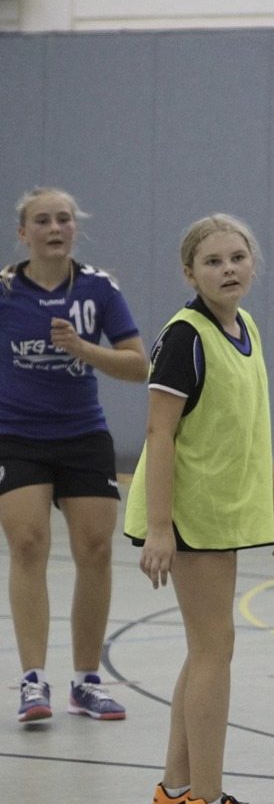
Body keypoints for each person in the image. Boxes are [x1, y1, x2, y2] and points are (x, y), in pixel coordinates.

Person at [129, 214, 274, 804]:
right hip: (190, 516)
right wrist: (160, 528)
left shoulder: (245, 328)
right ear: (189, 273)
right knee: (213, 651)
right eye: (213, 261)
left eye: (237, 258)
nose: (228, 270)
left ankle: (175, 792)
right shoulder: (184, 338)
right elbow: (159, 432)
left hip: (225, 511)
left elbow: (252, 421)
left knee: (206, 647)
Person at [0, 188, 146, 725]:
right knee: (28, 544)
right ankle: (32, 680)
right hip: (16, 435)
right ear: (24, 233)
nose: (55, 228)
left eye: (63, 219)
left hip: (82, 434)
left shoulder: (98, 289)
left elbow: (138, 365)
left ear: (75, 228)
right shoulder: (5, 291)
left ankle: (86, 682)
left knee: (96, 549)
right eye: (42, 220)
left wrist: (83, 349)